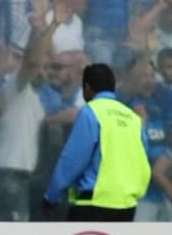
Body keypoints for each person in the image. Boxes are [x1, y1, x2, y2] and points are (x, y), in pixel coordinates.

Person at [43, 63, 151, 221]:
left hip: (94, 202)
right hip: (127, 205)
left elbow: (73, 159)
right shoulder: (132, 118)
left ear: (87, 88)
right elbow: (142, 156)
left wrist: (51, 196)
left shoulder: (90, 112)